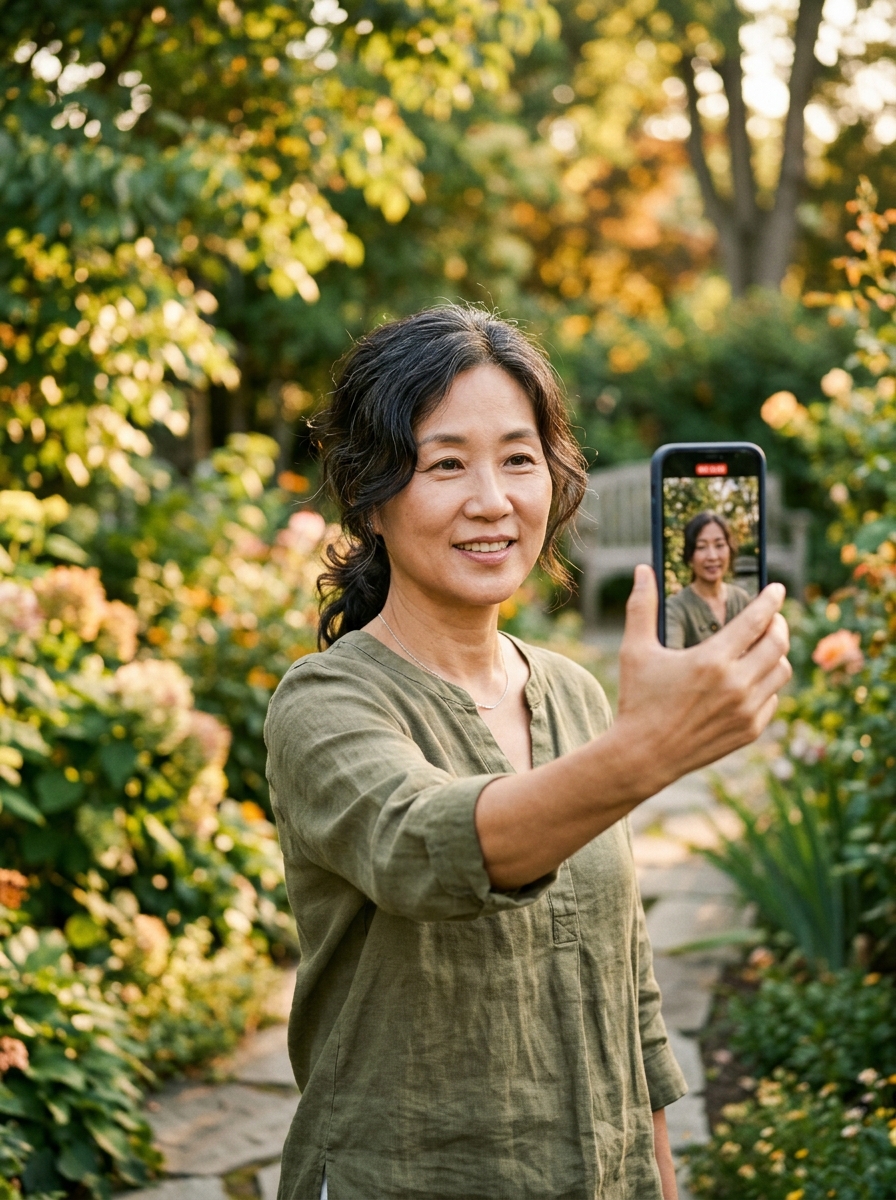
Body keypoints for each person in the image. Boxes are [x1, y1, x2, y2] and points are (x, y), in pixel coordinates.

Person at [264, 306, 790, 1200]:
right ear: (373, 496)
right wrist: (646, 753)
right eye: (445, 464)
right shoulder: (325, 705)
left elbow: (630, 989)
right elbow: (425, 848)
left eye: (518, 458)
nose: (493, 501)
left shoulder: (575, 695)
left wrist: (657, 1180)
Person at [664, 511, 753, 649]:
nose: (712, 556)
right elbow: (672, 660)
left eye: (719, 545)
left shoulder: (741, 600)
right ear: (690, 555)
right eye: (701, 547)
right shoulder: (675, 608)